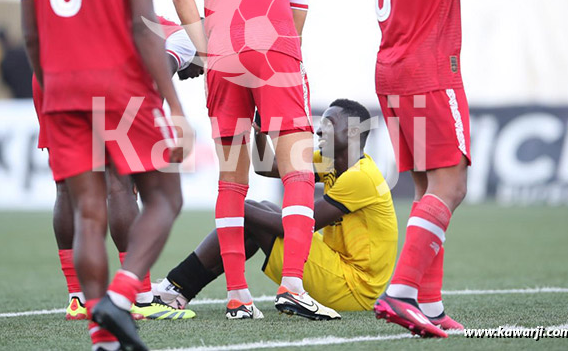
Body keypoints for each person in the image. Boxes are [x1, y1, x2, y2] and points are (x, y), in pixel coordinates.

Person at [368, 0, 562, 338]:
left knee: (426, 189)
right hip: (430, 71)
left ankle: (427, 305)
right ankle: (402, 292)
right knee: (451, 187)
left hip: (390, 69)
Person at [18, 0, 192, 351]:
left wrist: (52, 89)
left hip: (60, 84)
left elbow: (30, 33)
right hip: (119, 83)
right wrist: (175, 103)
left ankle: (100, 333)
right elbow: (143, 24)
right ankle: (123, 294)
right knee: (163, 194)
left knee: (85, 208)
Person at [173, 0, 337, 321]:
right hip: (276, 54)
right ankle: (293, 287)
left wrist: (205, 49)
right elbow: (295, 25)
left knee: (231, 183)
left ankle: (237, 297)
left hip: (223, 56)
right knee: (298, 172)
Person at [153, 99, 398, 315]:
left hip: (352, 288)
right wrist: (260, 132)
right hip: (340, 269)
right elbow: (265, 166)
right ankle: (177, 290)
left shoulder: (361, 177)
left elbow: (291, 227)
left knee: (251, 212)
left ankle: (175, 287)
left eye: (330, 123)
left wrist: (234, 205)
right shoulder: (329, 163)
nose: (319, 129)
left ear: (354, 132)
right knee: (262, 208)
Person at [32, 17, 202, 322]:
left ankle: (77, 299)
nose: (198, 75)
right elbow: (155, 81)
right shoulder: (188, 38)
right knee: (121, 185)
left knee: (66, 188)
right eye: (206, 68)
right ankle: (141, 298)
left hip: (52, 69)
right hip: (99, 76)